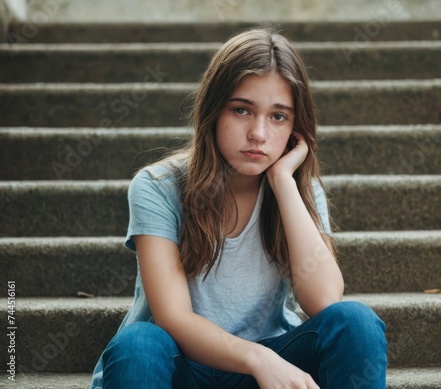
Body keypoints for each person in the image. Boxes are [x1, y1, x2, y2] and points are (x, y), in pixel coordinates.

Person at [90, 27, 387, 389]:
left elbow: (324, 300)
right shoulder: (158, 187)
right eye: (242, 110)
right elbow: (173, 317)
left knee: (355, 322)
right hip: (180, 367)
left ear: (297, 127)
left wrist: (282, 182)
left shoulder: (298, 190)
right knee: (138, 342)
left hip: (270, 371)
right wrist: (256, 358)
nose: (259, 134)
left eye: (278, 116)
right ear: (213, 112)